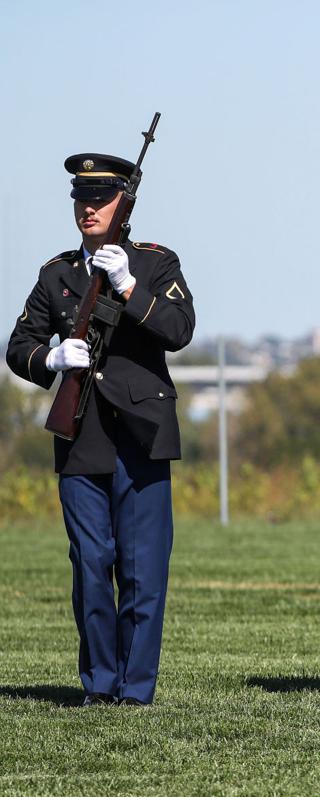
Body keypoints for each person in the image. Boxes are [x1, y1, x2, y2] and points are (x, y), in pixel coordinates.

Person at [5, 153, 195, 706]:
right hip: (80, 429)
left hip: (141, 432)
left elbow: (179, 329)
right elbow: (19, 347)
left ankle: (134, 689)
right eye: (81, 199)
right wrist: (53, 357)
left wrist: (129, 287)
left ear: (123, 205)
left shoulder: (157, 264)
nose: (88, 208)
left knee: (142, 570)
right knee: (91, 565)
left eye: (100, 198)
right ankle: (99, 684)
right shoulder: (57, 273)